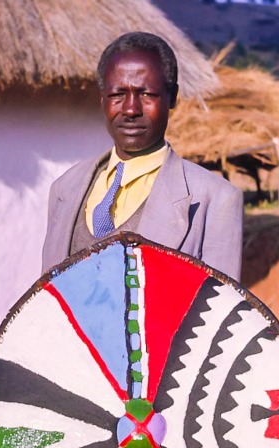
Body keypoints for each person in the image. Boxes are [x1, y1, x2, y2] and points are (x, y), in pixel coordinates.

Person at [42, 32, 243, 281]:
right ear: (102, 99)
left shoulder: (215, 200)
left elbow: (215, 314)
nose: (130, 109)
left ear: (173, 98)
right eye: (118, 94)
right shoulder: (65, 190)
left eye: (147, 94)